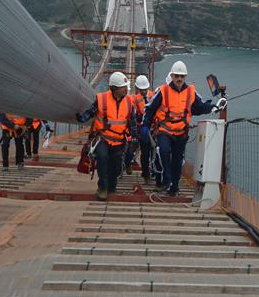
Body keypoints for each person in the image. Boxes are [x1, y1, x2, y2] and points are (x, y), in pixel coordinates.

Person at [140, 61, 226, 196]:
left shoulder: (191, 91)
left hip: (181, 131)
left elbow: (199, 106)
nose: (179, 79)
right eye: (176, 76)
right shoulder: (163, 91)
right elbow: (150, 109)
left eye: (182, 76)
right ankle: (166, 178)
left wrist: (212, 107)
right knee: (163, 150)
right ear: (172, 76)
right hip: (165, 130)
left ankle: (174, 186)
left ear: (185, 76)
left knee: (178, 159)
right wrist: (145, 125)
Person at [76, 71, 136, 201]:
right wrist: (82, 118)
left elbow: (132, 121)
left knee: (116, 166)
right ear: (114, 88)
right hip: (103, 138)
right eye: (123, 87)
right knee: (102, 159)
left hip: (119, 140)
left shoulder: (129, 102)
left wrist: (133, 138)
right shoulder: (101, 99)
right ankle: (102, 187)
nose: (126, 89)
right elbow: (91, 112)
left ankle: (112, 184)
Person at [126, 74, 154, 184]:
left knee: (148, 152)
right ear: (137, 88)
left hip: (150, 128)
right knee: (132, 148)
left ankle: (147, 173)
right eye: (141, 89)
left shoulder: (153, 96)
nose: (143, 91)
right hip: (138, 128)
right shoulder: (133, 99)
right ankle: (128, 163)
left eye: (145, 89)